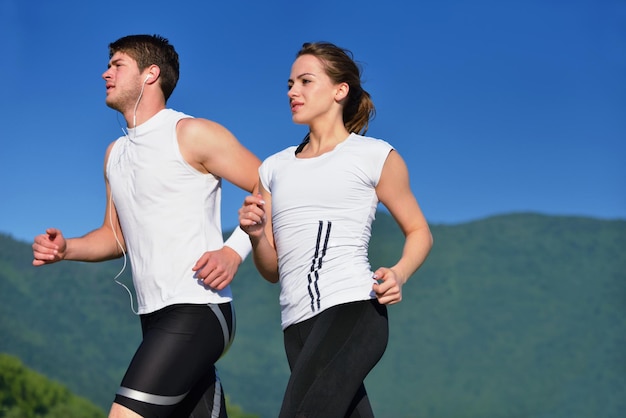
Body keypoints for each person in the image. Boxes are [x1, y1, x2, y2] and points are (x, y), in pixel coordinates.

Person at [32, 34, 261, 418]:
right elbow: (114, 236)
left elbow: (271, 184)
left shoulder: (190, 133)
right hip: (152, 315)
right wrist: (66, 248)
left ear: (150, 73)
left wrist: (233, 250)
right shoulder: (115, 154)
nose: (106, 73)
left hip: (198, 307)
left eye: (117, 64)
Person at [238, 42, 433, 418]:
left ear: (339, 90)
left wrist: (399, 272)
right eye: (290, 84)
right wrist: (258, 235)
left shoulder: (374, 156)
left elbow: (419, 230)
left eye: (306, 81)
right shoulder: (273, 169)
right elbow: (273, 270)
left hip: (352, 310)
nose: (293, 92)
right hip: (294, 326)